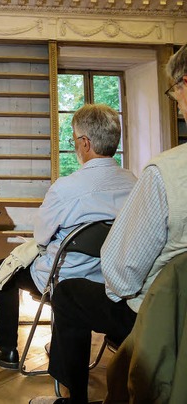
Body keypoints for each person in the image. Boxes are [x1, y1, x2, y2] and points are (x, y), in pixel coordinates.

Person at [29, 44, 187, 404]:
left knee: (68, 291)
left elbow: (123, 275)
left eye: (175, 90)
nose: (176, 100)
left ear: (83, 144)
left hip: (160, 314)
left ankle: (73, 396)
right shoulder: (132, 180)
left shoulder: (164, 174)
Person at [0, 104, 137, 372]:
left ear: (85, 143)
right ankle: (60, 345)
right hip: (110, 281)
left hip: (63, 280)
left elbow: (41, 237)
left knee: (6, 269)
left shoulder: (66, 187)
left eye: (74, 139)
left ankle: (6, 350)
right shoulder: (134, 182)